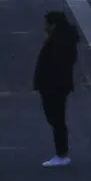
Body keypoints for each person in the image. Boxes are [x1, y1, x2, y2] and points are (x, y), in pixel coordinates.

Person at [33, 11, 80, 168]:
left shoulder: (58, 42)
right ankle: (61, 152)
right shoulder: (62, 39)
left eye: (46, 23)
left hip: (54, 86)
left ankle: (61, 153)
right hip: (57, 85)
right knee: (56, 119)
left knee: (56, 119)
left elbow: (55, 64)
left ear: (53, 24)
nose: (44, 27)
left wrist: (46, 82)